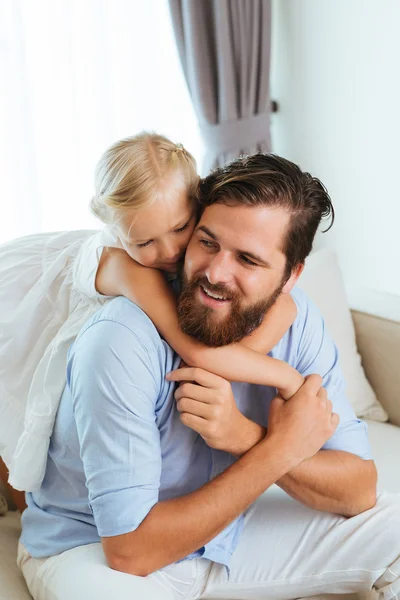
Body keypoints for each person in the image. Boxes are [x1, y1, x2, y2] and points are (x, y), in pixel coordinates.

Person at [18, 153, 400, 600]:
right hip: (96, 550)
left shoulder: (299, 325)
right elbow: (130, 551)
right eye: (208, 242)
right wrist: (278, 450)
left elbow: (359, 489)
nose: (216, 272)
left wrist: (244, 436)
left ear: (291, 275)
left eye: (249, 260)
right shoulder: (120, 337)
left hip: (230, 529)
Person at [0, 132, 300, 495]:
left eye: (180, 228)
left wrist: (246, 350)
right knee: (18, 392)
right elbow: (196, 351)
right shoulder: (129, 268)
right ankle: (24, 508)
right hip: (23, 301)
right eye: (144, 242)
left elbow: (279, 311)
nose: (171, 250)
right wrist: (287, 378)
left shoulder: (196, 242)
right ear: (118, 233)